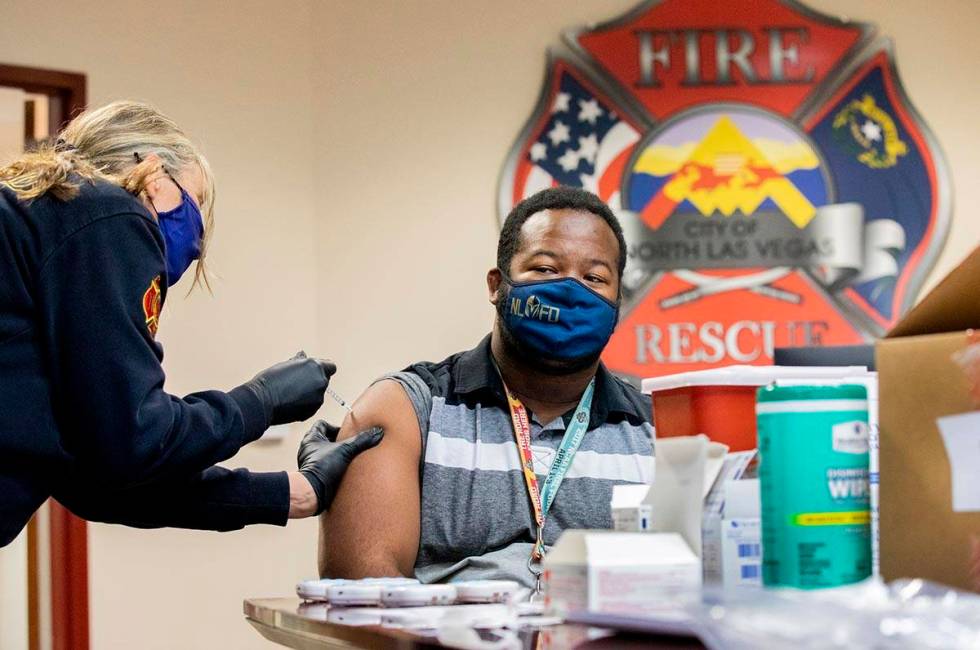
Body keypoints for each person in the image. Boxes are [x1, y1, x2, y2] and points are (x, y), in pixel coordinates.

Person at [0, 101, 381, 548]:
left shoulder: (42, 226)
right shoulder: (106, 210)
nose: (198, 240)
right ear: (155, 173)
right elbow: (135, 439)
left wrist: (295, 493)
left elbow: (98, 474)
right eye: (195, 200)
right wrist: (260, 401)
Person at [318, 187, 654, 588]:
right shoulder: (405, 409)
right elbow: (364, 597)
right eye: (545, 269)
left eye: (594, 278)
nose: (568, 290)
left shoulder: (657, 430)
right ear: (497, 286)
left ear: (617, 304)